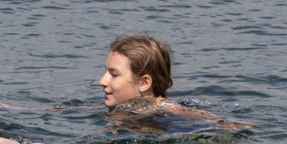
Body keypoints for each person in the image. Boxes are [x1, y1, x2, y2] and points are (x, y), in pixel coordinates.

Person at [99, 35, 247, 128]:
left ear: (144, 83)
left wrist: (224, 123)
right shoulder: (126, 108)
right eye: (105, 72)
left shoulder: (165, 109)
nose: (102, 81)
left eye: (114, 74)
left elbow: (194, 115)